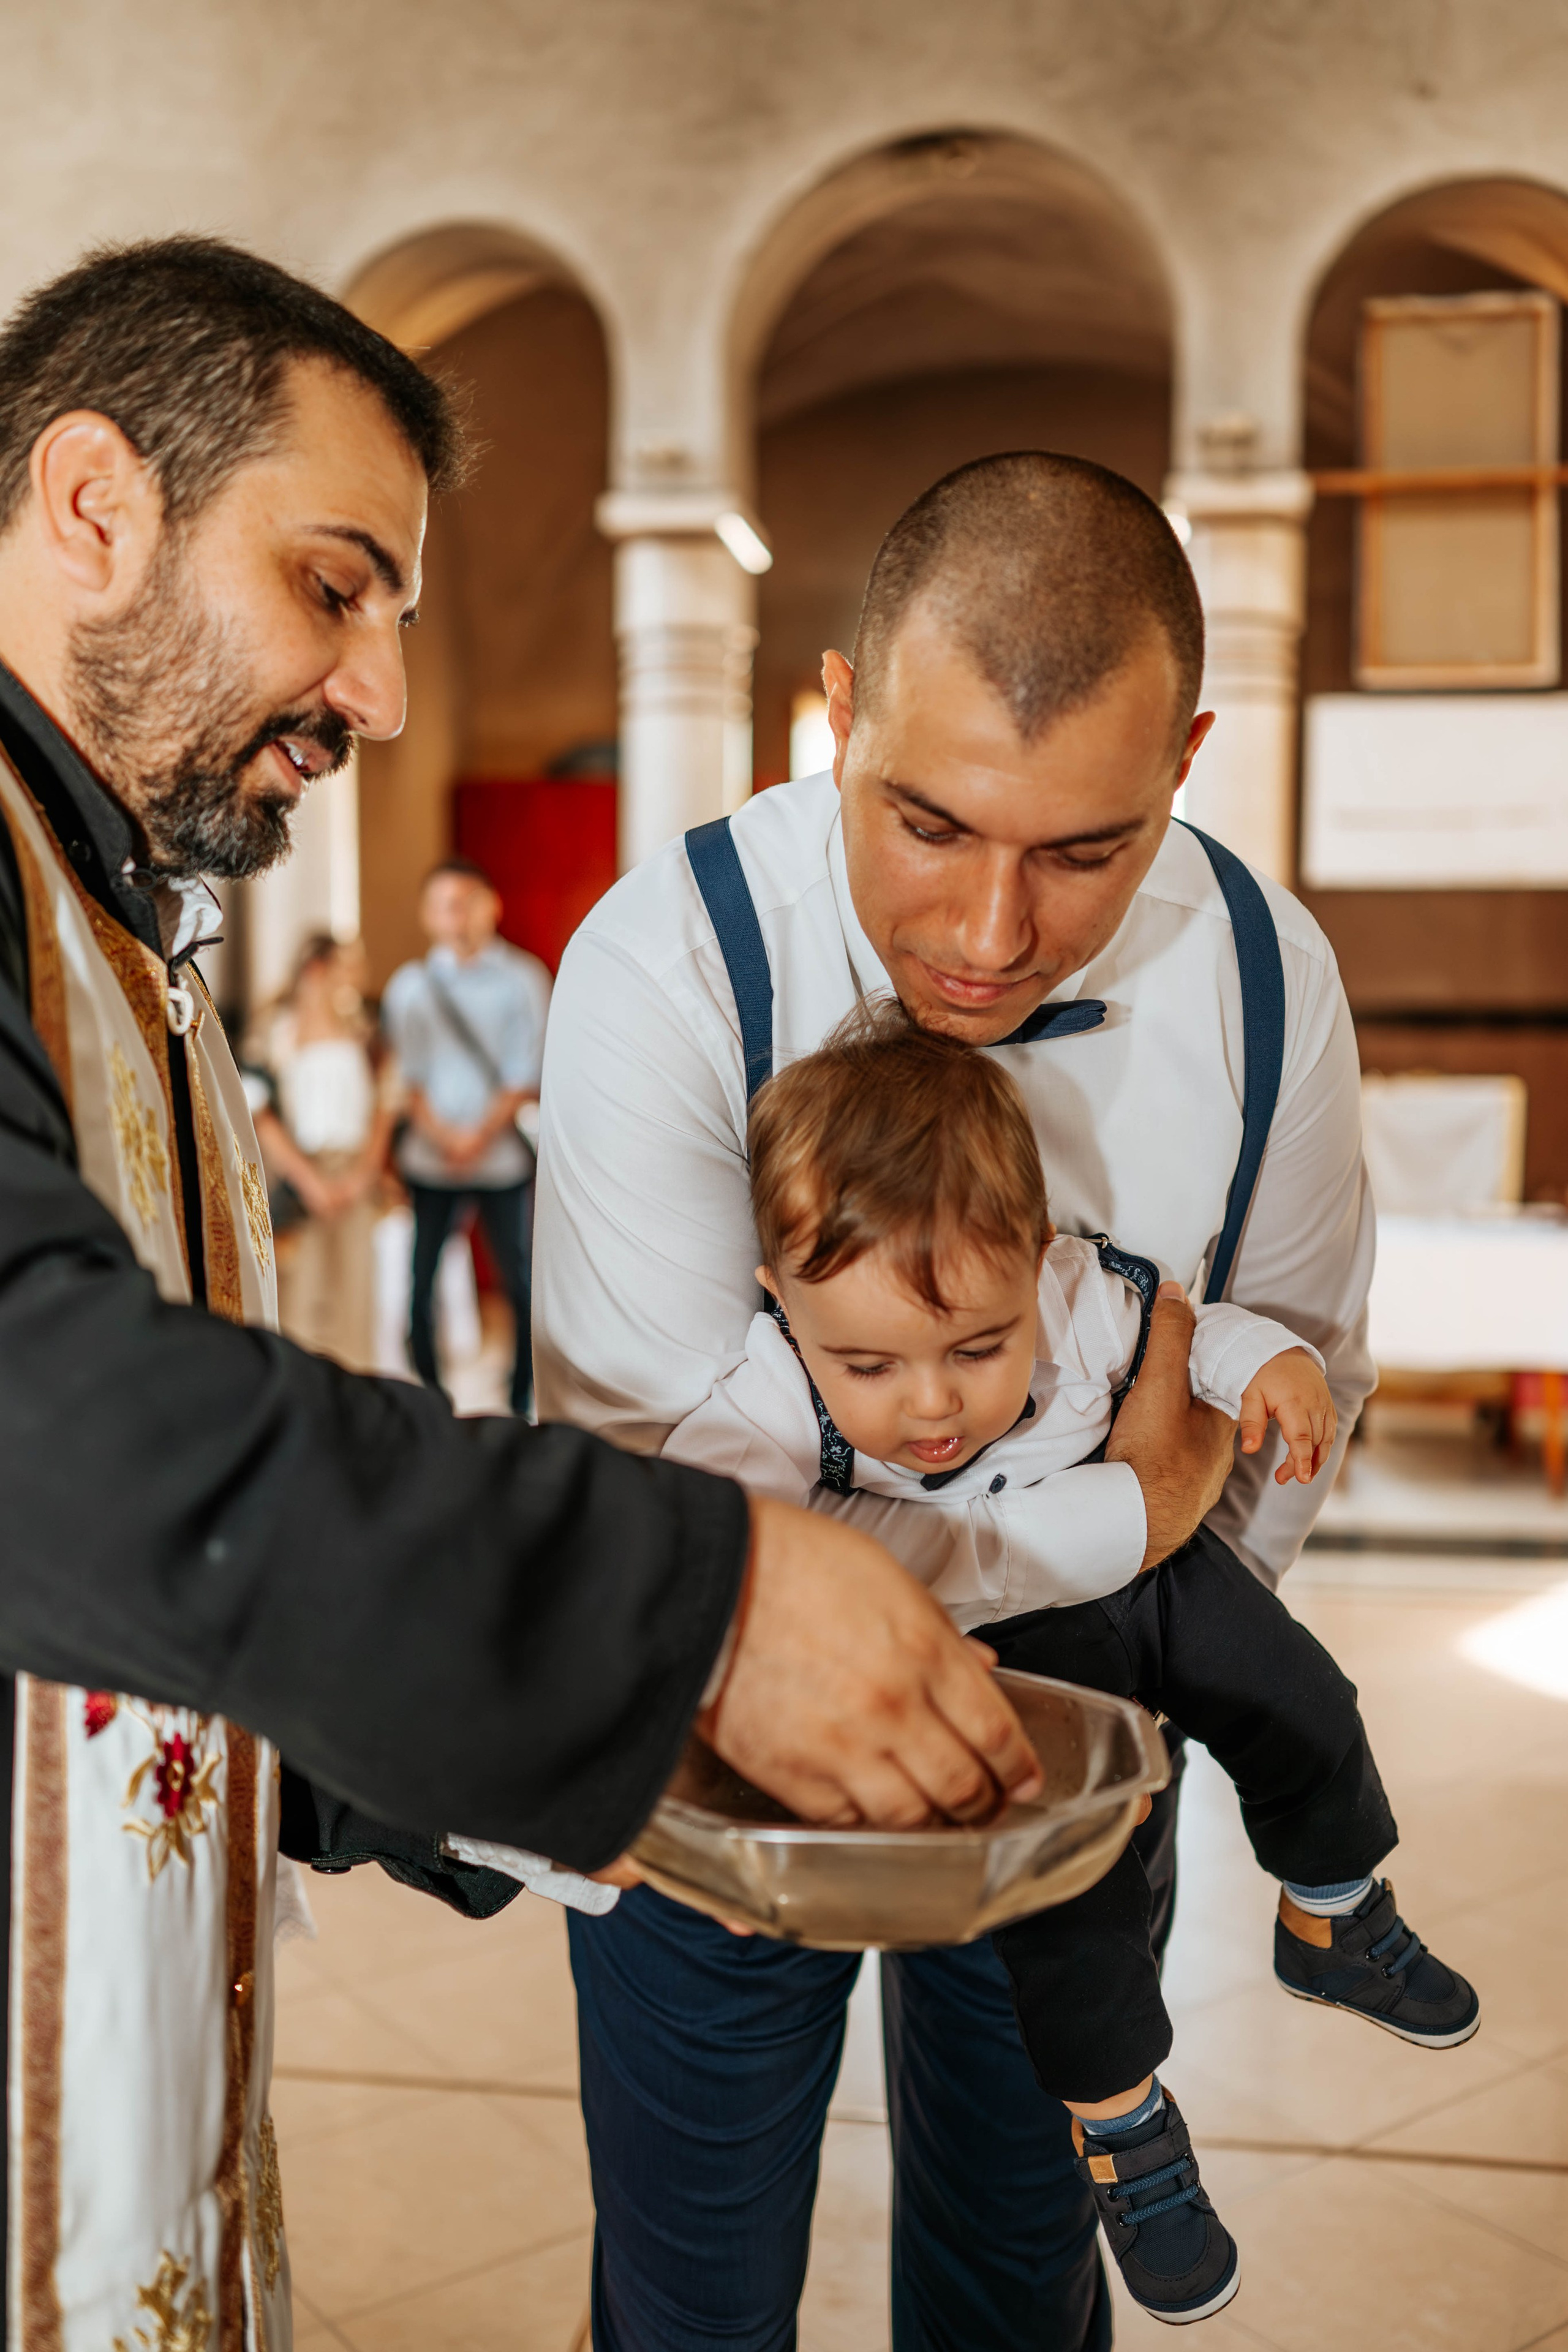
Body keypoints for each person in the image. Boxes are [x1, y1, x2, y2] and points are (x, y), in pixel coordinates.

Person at [0, 238, 1042, 2346]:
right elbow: (49, 1418)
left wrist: (619, 1769)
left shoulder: (120, 929)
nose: (379, 694)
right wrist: (692, 1604)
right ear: (96, 504)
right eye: (334, 586)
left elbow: (153, 1592)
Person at [533, 451, 1376, 2350]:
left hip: (1069, 1752)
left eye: (1085, 848)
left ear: (1186, 763)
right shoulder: (664, 971)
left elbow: (1291, 1382)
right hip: (712, 1762)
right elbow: (685, 1523)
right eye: (925, 822)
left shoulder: (1265, 973)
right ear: (837, 719)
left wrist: (1129, 1610)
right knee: (692, 2298)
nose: (990, 929)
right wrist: (1122, 1518)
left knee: (1016, 2271)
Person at [666, 1010, 1478, 2328]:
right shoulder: (763, 1396)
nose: (929, 1407)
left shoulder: (1078, 1290)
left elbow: (1189, 1327)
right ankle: (1123, 2129)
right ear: (778, 1293)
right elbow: (711, 1528)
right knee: (1078, 1890)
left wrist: (1264, 1358)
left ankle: (1331, 1910)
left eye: (978, 1350)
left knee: (1299, 1699)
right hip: (1012, 1649)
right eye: (867, 1364)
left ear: (1035, 1269)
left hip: (1150, 1576)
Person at [382, 856, 548, 1412]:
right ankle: (428, 1394)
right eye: (442, 906)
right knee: (420, 1280)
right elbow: (408, 1077)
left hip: (500, 1156)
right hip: (431, 1157)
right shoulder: (410, 986)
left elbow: (527, 1071)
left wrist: (477, 1136)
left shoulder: (524, 979)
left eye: (463, 902)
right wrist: (446, 1138)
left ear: (490, 905)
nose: (453, 916)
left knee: (522, 1280)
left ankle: (522, 1392)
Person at [249, 930, 392, 1371]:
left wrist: (363, 1173)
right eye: (346, 966)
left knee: (355, 1294)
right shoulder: (276, 1030)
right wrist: (308, 1180)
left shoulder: (364, 1030)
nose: (356, 976)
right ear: (317, 970)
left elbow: (385, 1106)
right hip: (299, 1177)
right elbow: (258, 1110)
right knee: (302, 1297)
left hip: (354, 1174)